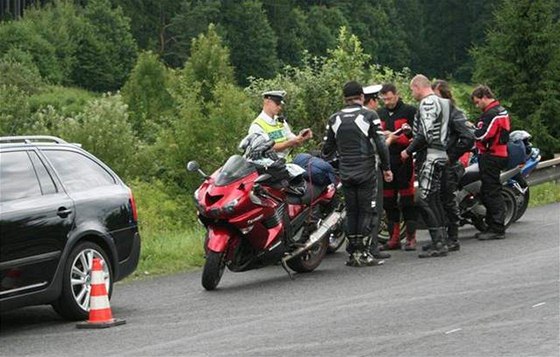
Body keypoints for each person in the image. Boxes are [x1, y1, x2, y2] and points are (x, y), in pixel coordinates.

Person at [322, 81, 393, 267]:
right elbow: (381, 144)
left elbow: (326, 150)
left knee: (352, 212)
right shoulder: (369, 115)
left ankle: (352, 253)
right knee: (367, 212)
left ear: (344, 99)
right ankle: (365, 253)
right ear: (361, 97)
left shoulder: (334, 119)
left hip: (346, 172)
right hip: (367, 171)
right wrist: (386, 168)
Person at [401, 75, 450, 258]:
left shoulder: (427, 103)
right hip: (440, 153)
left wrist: (408, 150)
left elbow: (426, 132)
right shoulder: (443, 102)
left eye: (412, 90)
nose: (412, 93)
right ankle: (441, 238)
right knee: (434, 199)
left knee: (424, 199)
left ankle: (439, 242)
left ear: (418, 86)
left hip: (430, 155)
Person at [431, 80, 475, 252]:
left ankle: (453, 238)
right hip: (435, 163)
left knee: (448, 200)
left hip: (449, 165)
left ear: (444, 95)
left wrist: (451, 156)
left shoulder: (454, 112)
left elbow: (468, 137)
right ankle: (440, 238)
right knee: (437, 201)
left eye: (435, 95)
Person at [378, 83, 418, 251]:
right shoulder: (379, 113)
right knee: (388, 201)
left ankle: (411, 237)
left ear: (397, 95)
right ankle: (394, 238)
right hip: (386, 162)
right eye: (384, 99)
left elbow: (417, 136)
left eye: (390, 98)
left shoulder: (410, 111)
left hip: (404, 161)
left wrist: (399, 139)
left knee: (407, 200)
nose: (387, 102)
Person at [471, 85, 511, 240]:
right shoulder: (500, 110)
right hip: (496, 154)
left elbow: (483, 135)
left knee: (491, 191)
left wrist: (471, 131)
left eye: (477, 102)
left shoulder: (492, 113)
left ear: (484, 97)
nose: (477, 106)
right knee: (489, 190)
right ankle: (492, 225)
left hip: (492, 155)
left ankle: (497, 228)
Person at [362, 84, 391, 260]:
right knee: (375, 209)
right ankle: (372, 247)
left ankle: (357, 247)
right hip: (371, 169)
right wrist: (389, 139)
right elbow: (376, 146)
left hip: (351, 169)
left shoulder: (348, 115)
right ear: (372, 100)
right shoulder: (371, 116)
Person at [248, 90, 312, 159]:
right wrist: (288, 144)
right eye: (277, 104)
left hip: (286, 163)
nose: (279, 107)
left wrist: (301, 138)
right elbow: (264, 148)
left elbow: (290, 137)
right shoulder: (257, 126)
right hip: (269, 167)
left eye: (280, 105)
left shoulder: (280, 120)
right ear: (267, 102)